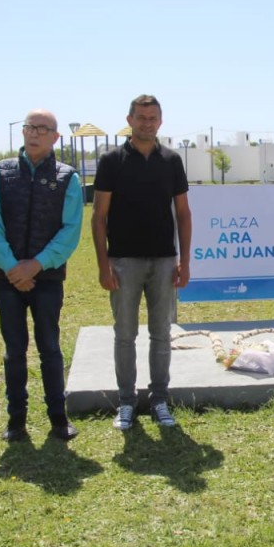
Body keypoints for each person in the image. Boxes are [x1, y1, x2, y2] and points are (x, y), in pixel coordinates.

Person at [0, 109, 83, 442]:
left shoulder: (68, 178)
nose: (35, 133)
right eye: (30, 127)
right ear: (23, 132)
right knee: (14, 351)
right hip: (7, 279)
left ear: (55, 137)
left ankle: (58, 418)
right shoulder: (1, 173)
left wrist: (36, 265)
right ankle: (16, 421)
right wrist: (14, 269)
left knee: (50, 348)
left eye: (43, 128)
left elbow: (70, 231)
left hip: (47, 280)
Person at [92, 94, 191, 431]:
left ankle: (159, 400)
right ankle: (126, 402)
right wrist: (103, 264)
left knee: (161, 334)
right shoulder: (111, 161)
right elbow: (99, 217)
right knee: (125, 335)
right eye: (141, 117)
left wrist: (184, 261)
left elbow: (183, 213)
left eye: (152, 118)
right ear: (129, 120)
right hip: (123, 261)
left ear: (160, 122)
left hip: (164, 261)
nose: (147, 123)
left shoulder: (172, 160)